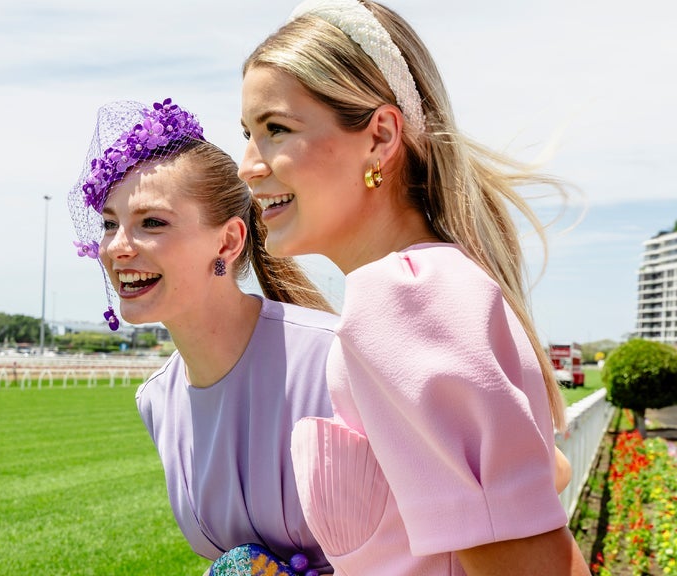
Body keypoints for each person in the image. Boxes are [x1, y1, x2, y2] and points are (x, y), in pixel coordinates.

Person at [238, 1, 590, 574]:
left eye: (276, 129)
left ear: (379, 136)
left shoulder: (400, 301)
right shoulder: (435, 286)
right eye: (248, 133)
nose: (248, 165)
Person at [67, 98, 337, 574]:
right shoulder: (156, 401)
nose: (118, 248)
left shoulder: (337, 360)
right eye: (110, 224)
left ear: (229, 241)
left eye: (152, 223)